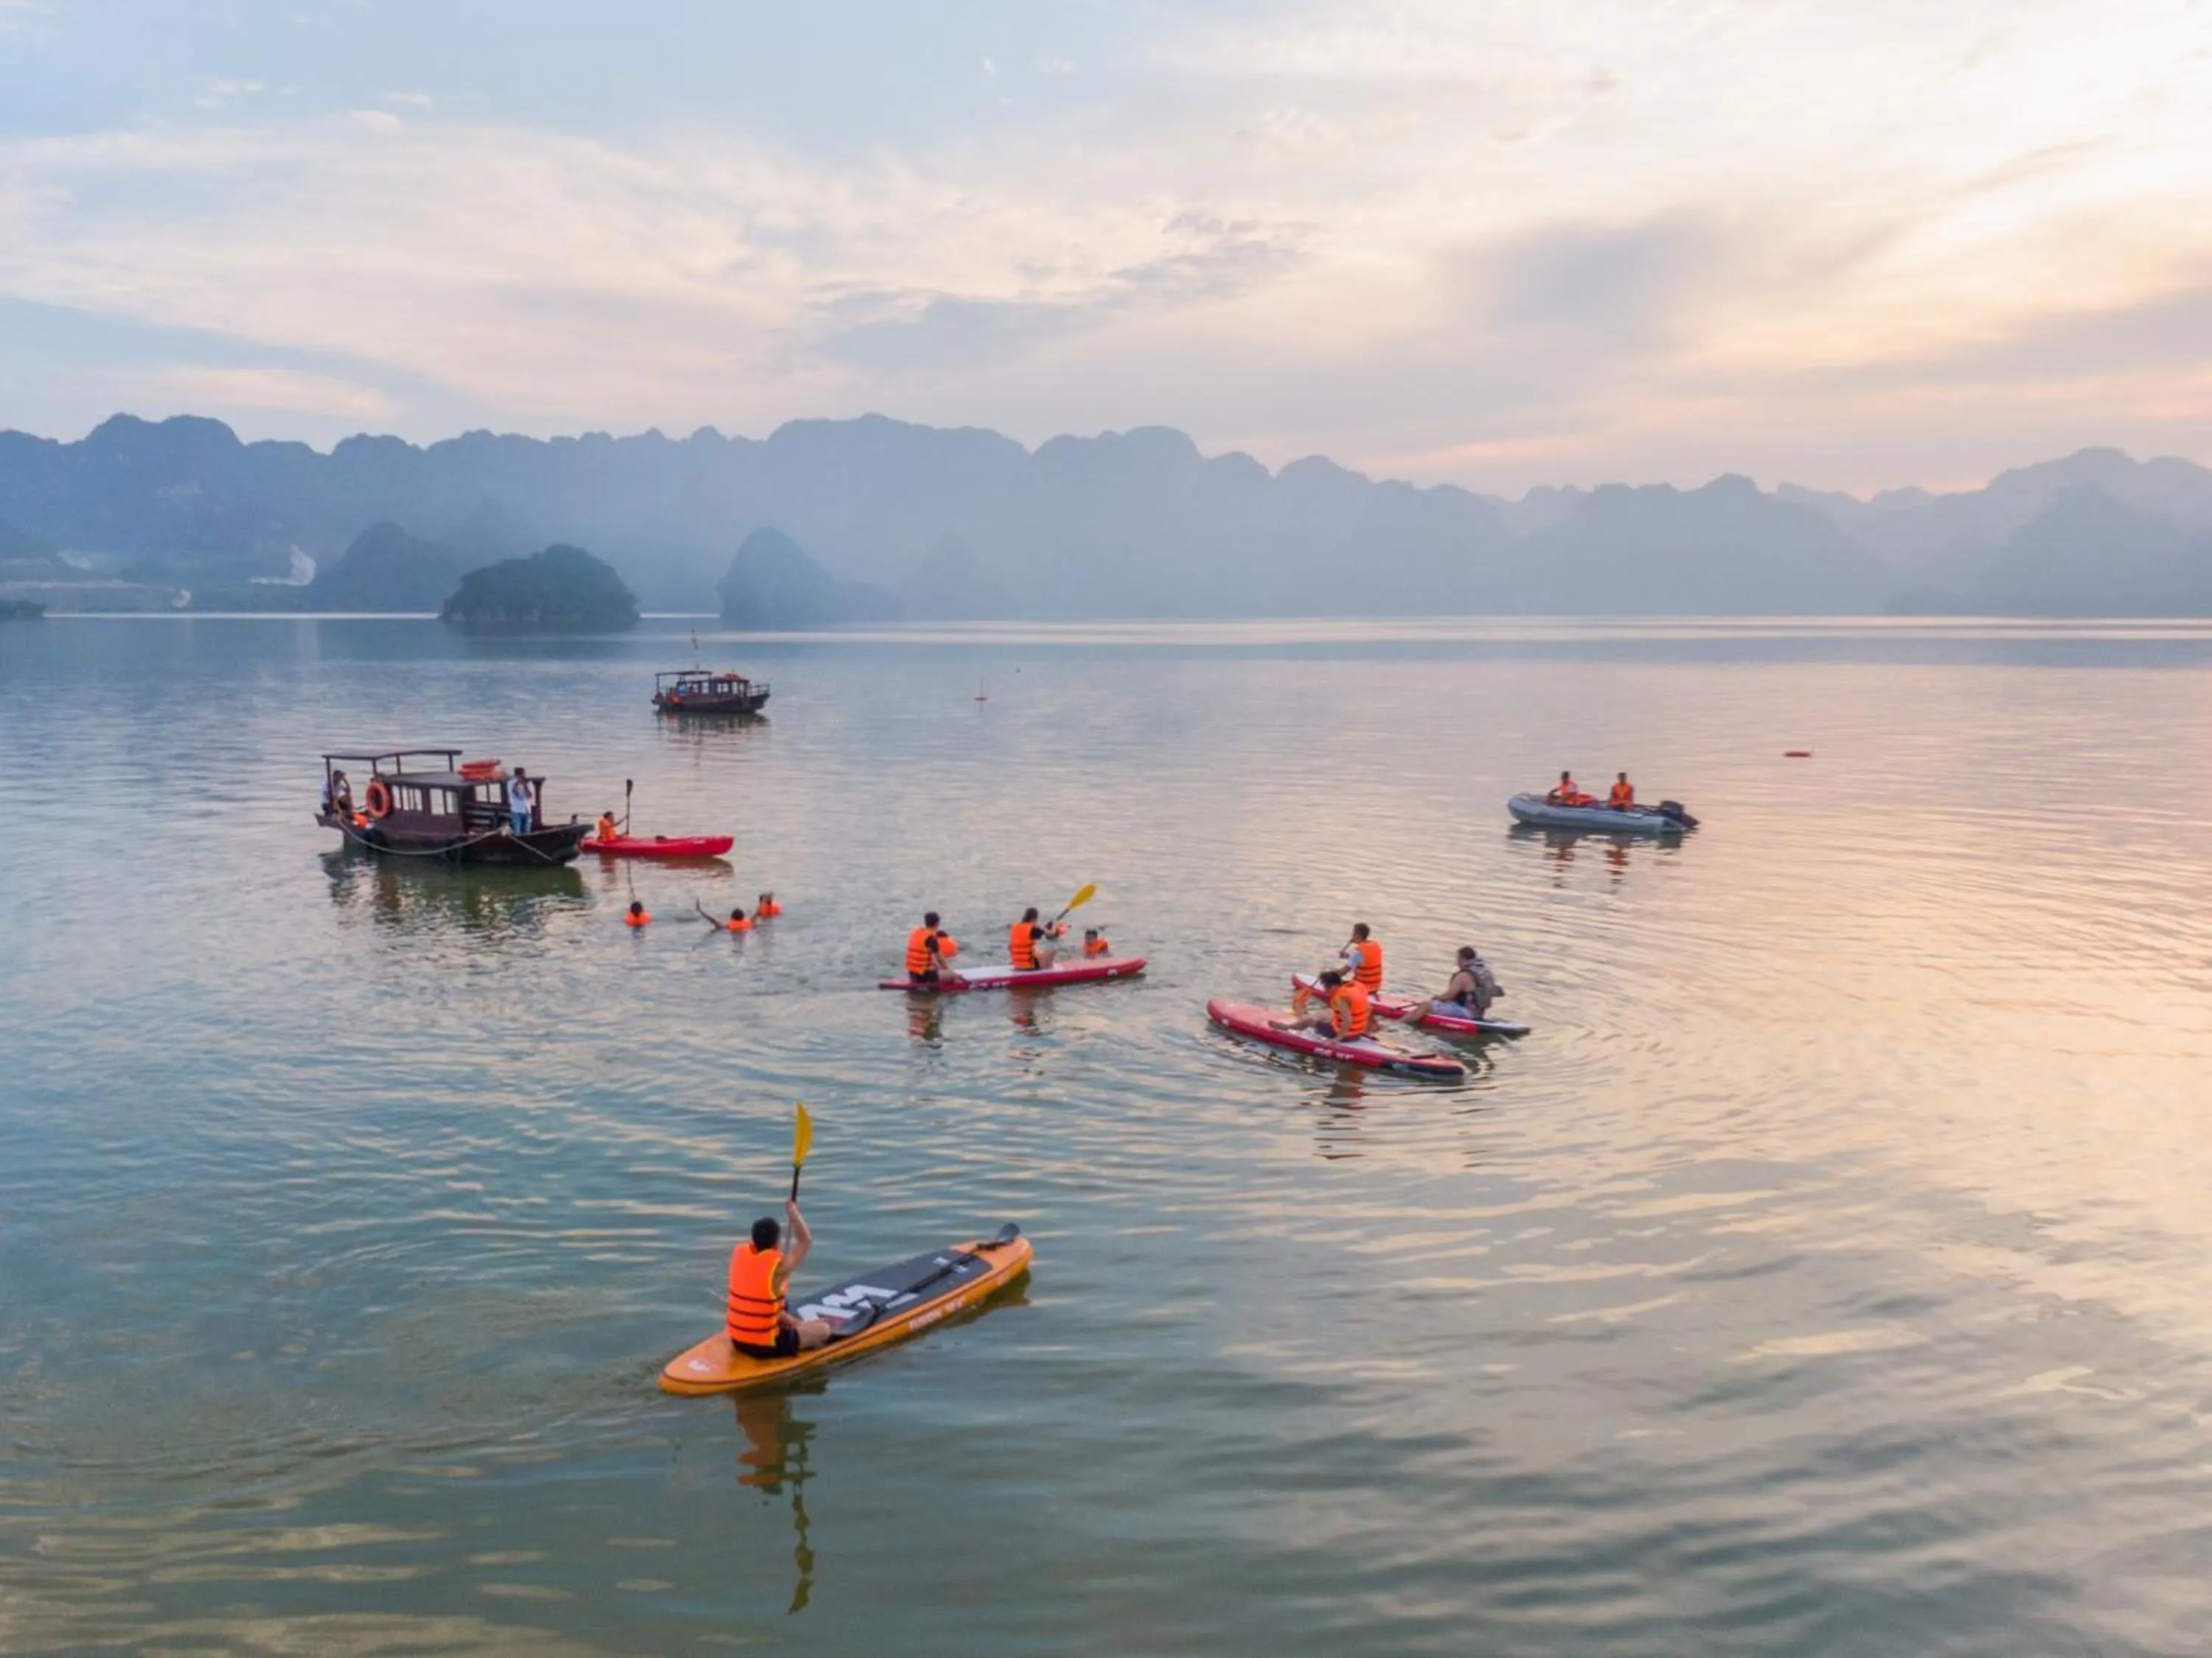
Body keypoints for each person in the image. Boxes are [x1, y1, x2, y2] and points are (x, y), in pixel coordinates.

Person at [726, 1201, 834, 1359]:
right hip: (766, 1347)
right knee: (824, 1329)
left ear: (754, 1240)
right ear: (777, 1242)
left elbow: (764, 1306)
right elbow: (805, 1241)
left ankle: (797, 1326)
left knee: (780, 1303)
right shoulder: (779, 1268)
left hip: (737, 1341)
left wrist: (797, 1323)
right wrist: (794, 1213)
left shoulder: (740, 1256)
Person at [1406, 946, 1502, 1024]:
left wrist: (1436, 998)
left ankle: (1401, 1023)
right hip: (1479, 1013)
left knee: (1425, 1005)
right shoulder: (1485, 972)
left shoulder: (1463, 975)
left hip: (1466, 1013)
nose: (1457, 962)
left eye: (1458, 959)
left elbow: (1449, 996)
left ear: (1462, 959)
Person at [1275, 968, 1373, 1041]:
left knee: (1310, 1021)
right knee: (1326, 1013)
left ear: (1332, 986)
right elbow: (1369, 1008)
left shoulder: (1340, 998)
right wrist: (1366, 1029)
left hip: (1344, 1036)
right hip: (1357, 1034)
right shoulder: (1357, 987)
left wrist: (1336, 1040)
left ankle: (1287, 1027)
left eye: (1326, 988)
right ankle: (1302, 1017)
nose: (1326, 991)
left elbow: (1348, 1020)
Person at [903, 912, 959, 984]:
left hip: (912, 974)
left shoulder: (916, 932)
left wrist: (937, 967)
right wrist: (948, 970)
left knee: (935, 967)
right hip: (924, 976)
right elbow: (940, 959)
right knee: (952, 975)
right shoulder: (931, 938)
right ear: (937, 924)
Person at [1009, 906, 1065, 971]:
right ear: (1034, 918)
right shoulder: (1032, 929)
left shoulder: (1015, 927)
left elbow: (1039, 930)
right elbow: (1051, 933)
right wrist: (1054, 925)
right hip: (1029, 966)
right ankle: (1048, 970)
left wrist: (1044, 928)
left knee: (1038, 952)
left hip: (1017, 965)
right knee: (1053, 952)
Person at [1340, 922, 1384, 993]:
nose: (1352, 937)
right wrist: (1348, 956)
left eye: (1353, 934)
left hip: (1361, 989)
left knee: (1335, 982)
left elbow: (1344, 971)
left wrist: (1330, 976)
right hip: (1375, 988)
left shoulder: (1357, 952)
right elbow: (1363, 959)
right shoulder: (1375, 945)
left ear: (1358, 935)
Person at [508, 767, 535, 835]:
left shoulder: (529, 783)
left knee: (527, 832)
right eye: (519, 776)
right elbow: (514, 795)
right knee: (517, 832)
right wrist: (517, 785)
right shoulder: (511, 783)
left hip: (527, 810)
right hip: (516, 811)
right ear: (515, 776)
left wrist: (525, 785)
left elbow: (530, 796)